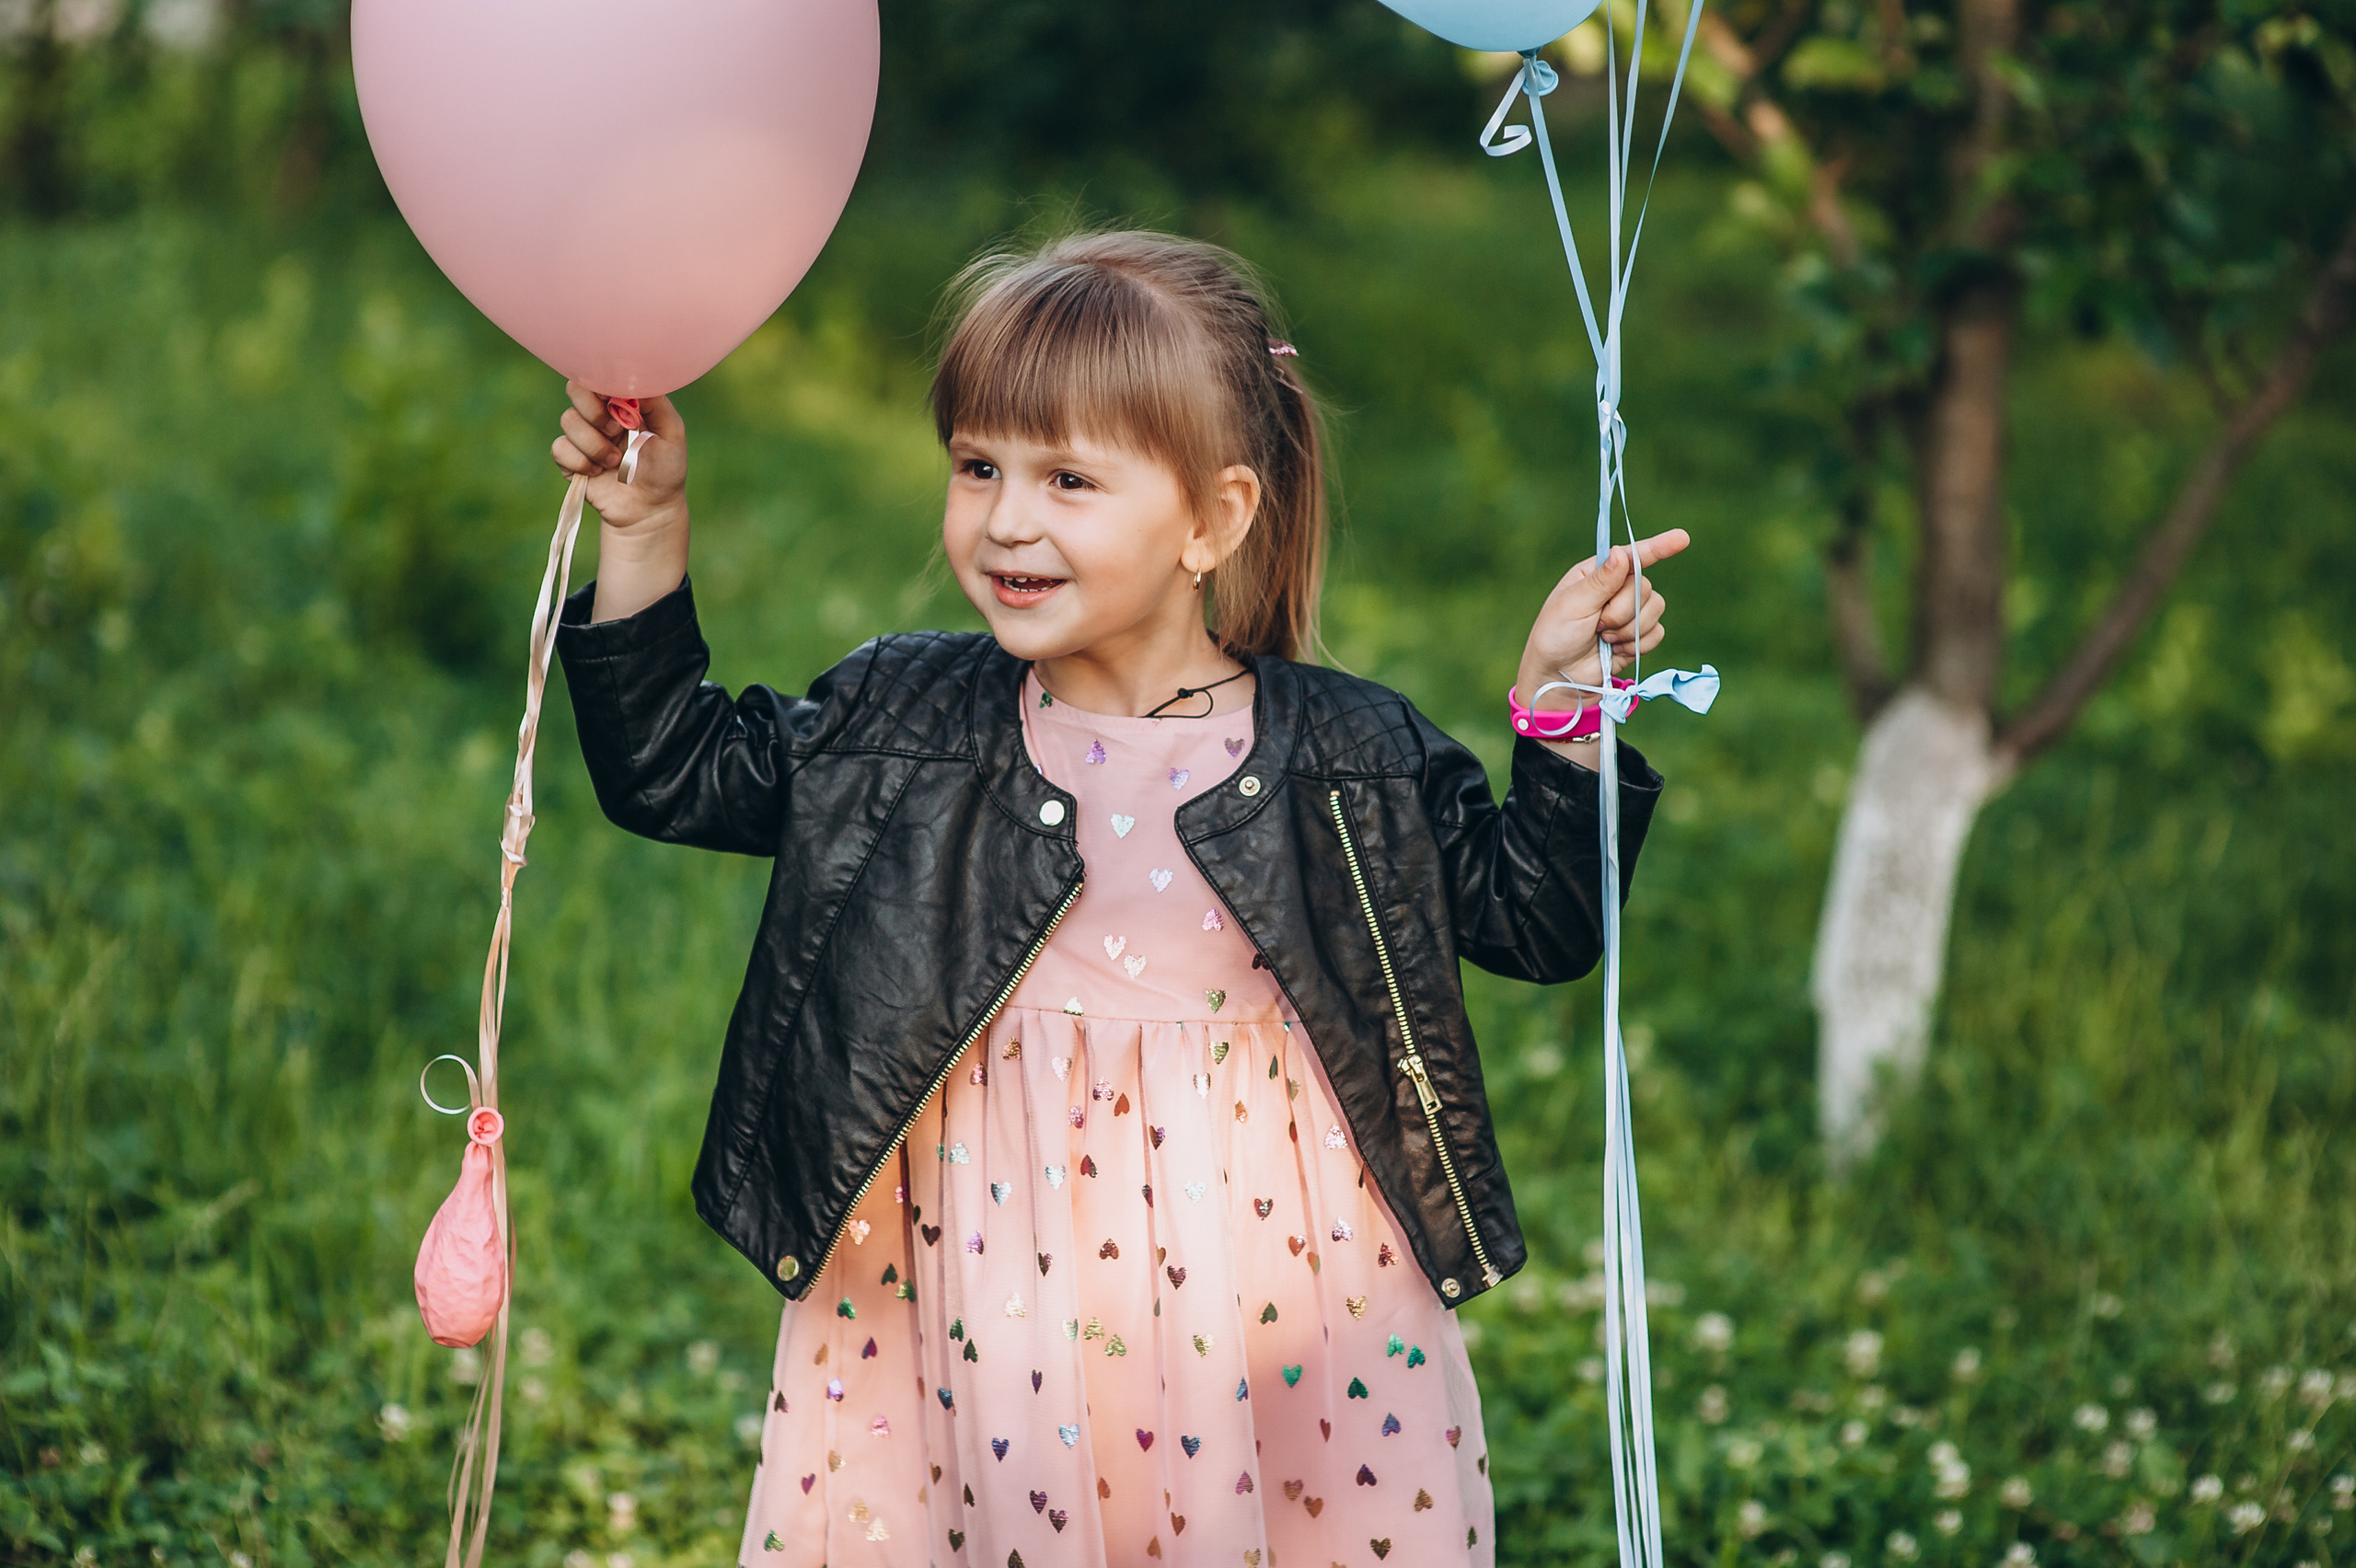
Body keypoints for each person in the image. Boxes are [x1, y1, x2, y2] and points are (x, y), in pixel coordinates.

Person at [549, 230, 1687, 1568]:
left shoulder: (1345, 751)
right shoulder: (903, 719)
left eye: (1070, 478)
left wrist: (1563, 714)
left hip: (1278, 1296)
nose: (1008, 520)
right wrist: (644, 527)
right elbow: (671, 772)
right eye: (979, 466)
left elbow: (1535, 922)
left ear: (1214, 518)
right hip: (981, 1277)